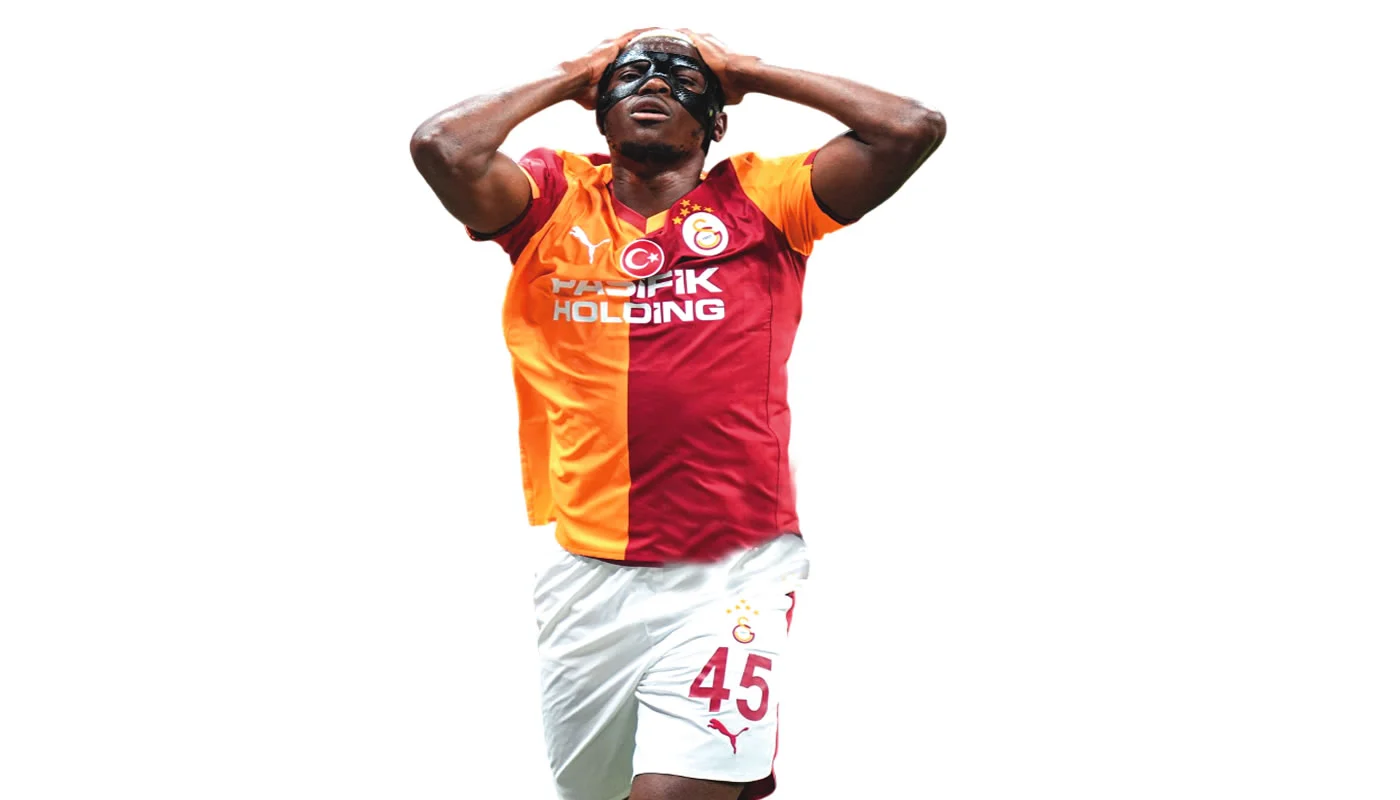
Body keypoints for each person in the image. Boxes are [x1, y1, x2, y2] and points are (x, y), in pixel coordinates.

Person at [409, 27, 944, 800]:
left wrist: (746, 70)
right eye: (632, 75)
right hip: (586, 572)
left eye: (680, 77)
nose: (654, 84)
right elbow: (444, 148)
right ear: (599, 110)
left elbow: (909, 129)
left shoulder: (767, 198)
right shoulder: (552, 199)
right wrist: (573, 74)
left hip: (733, 569)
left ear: (715, 121)